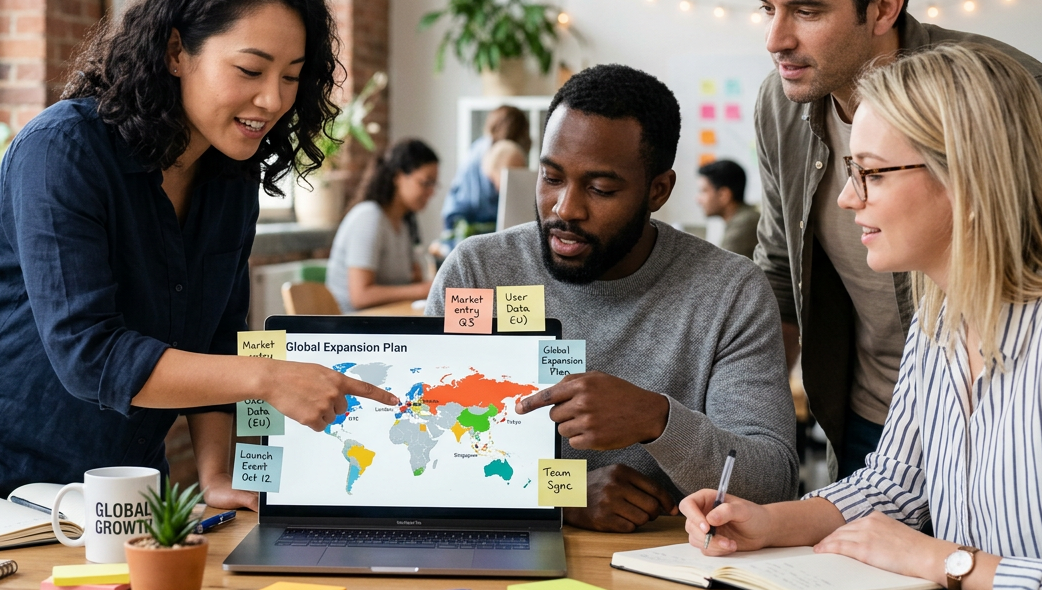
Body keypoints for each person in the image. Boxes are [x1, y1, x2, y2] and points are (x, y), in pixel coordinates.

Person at [0, 0, 398, 511]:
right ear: (176, 51)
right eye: (250, 70)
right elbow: (89, 354)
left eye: (292, 76)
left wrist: (216, 475)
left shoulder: (231, 177)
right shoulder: (62, 150)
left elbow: (218, 337)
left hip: (109, 478)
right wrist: (268, 377)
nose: (273, 100)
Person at [682, 43, 1042, 590]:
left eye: (871, 173)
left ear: (967, 179)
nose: (848, 197)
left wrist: (937, 559)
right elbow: (893, 483)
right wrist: (768, 523)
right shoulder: (939, 313)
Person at [747, 0, 1042, 480]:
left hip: (1004, 426)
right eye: (768, 8)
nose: (775, 40)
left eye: (807, 11)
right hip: (869, 421)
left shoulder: (1007, 93)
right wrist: (754, 445)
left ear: (883, 7)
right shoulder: (780, 105)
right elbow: (779, 274)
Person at [426, 64, 797, 533]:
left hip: (675, 564)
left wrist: (657, 419)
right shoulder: (479, 273)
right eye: (551, 178)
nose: (565, 209)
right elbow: (428, 450)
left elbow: (772, 483)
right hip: (507, 552)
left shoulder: (729, 293)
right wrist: (564, 494)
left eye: (600, 189)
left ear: (658, 190)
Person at [326, 139, 440, 313]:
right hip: (354, 324)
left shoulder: (405, 223)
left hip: (386, 318)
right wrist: (422, 289)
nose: (431, 192)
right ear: (398, 177)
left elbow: (411, 279)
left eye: (434, 184)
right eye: (426, 183)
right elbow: (360, 296)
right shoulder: (368, 217)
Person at [437, 106, 532, 244]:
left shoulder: (484, 148)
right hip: (471, 231)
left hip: (465, 227)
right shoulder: (494, 154)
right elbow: (507, 197)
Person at [695, 159, 760, 259]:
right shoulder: (744, 218)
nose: (698, 199)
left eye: (703, 191)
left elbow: (720, 266)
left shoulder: (744, 224)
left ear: (723, 195)